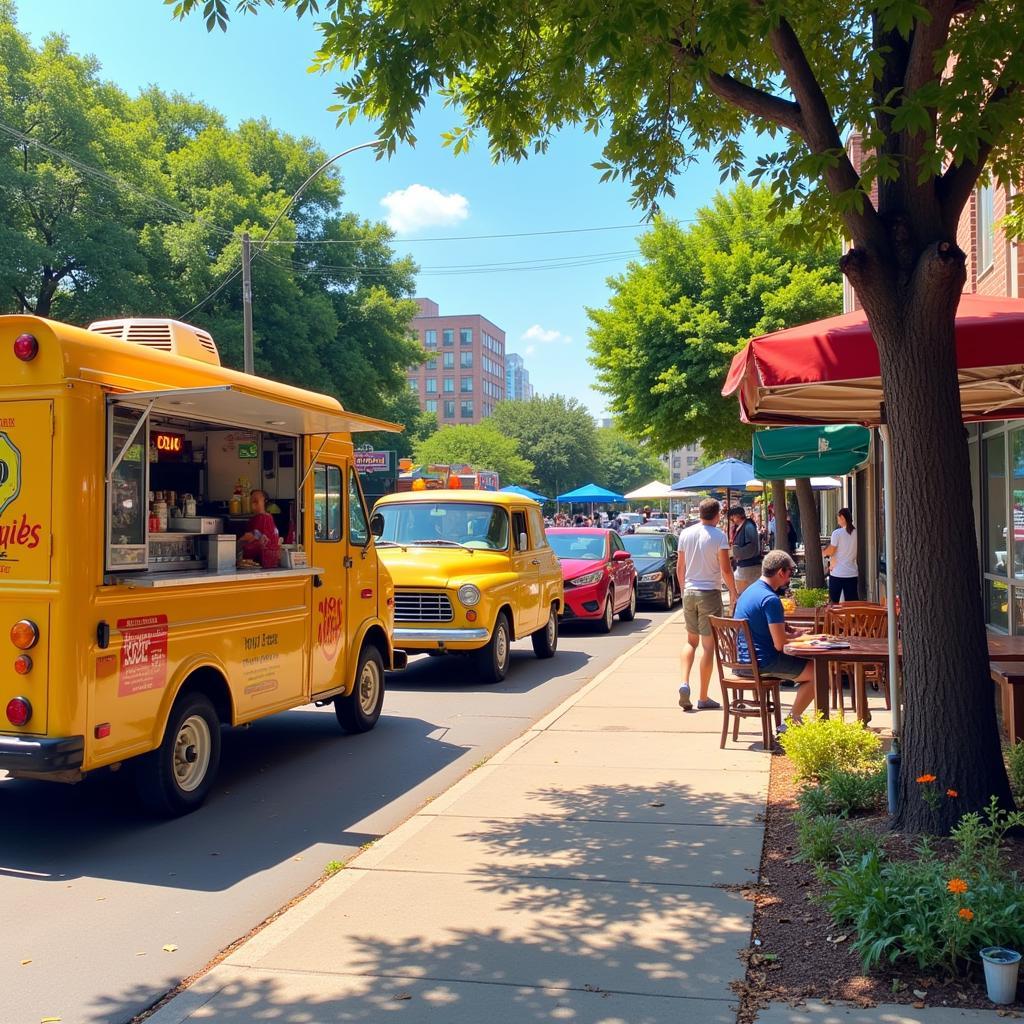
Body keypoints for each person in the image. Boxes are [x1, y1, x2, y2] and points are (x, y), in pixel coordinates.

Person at [734, 549, 815, 729]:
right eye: (789, 574)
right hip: (764, 662)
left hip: (742, 662)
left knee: (808, 667)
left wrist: (793, 633)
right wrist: (805, 639)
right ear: (781, 572)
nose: (789, 579)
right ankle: (791, 722)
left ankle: (793, 720)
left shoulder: (748, 593)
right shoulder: (771, 599)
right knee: (819, 673)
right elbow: (779, 644)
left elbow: (764, 631)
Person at [676, 498, 737, 712]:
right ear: (718, 514)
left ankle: (684, 682)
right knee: (708, 646)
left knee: (690, 641)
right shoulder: (719, 537)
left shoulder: (685, 533)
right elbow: (726, 570)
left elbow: (680, 567)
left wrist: (683, 589)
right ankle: (703, 696)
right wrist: (734, 592)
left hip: (689, 592)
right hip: (709, 593)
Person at [822, 507, 859, 603]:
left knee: (834, 603)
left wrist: (823, 552)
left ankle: (834, 619)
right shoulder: (856, 533)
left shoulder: (837, 533)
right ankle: (852, 619)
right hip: (852, 573)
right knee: (852, 604)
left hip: (837, 573)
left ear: (842, 517)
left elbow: (831, 551)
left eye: (838, 518)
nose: (837, 520)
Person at [239, 489, 281, 567]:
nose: (253, 504)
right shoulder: (262, 518)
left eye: (256, 501)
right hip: (267, 563)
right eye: (252, 501)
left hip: (263, 563)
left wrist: (241, 543)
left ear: (264, 501)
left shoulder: (264, 518)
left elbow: (261, 542)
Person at [728, 505, 762, 595]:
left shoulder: (748, 526)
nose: (731, 519)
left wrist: (735, 551)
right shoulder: (742, 526)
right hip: (744, 566)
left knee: (747, 594)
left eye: (732, 516)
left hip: (750, 567)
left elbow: (752, 546)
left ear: (737, 516)